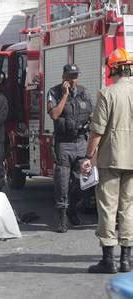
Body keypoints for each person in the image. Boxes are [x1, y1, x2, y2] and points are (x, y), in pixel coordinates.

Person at [81, 48, 133, 274]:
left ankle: (108, 261)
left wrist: (88, 157)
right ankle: (127, 260)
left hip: (110, 158)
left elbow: (97, 132)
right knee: (128, 209)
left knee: (107, 208)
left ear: (113, 69)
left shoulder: (107, 94)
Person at [47, 64, 93, 233]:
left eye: (75, 76)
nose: (73, 80)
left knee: (82, 183)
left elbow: (92, 114)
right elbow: (54, 115)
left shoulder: (84, 92)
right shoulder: (54, 92)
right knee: (62, 182)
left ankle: (73, 207)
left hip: (81, 142)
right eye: (70, 76)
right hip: (63, 144)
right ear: (63, 76)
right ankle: (62, 218)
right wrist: (65, 95)